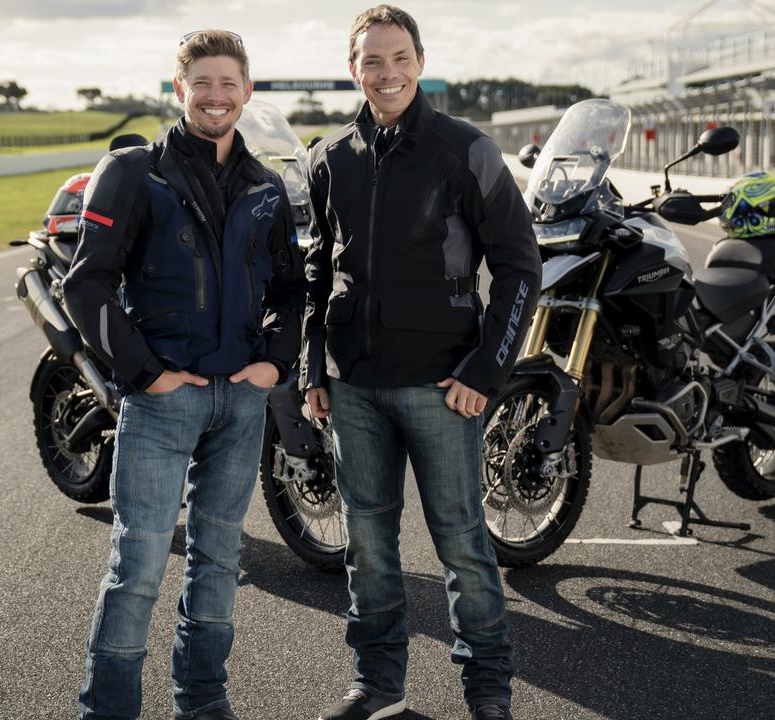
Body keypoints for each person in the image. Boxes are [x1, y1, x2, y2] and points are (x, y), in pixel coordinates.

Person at [301, 6, 541, 720]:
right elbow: (317, 271)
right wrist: (311, 367)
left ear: (420, 60)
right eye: (372, 61)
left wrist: (484, 372)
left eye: (400, 57)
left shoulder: (466, 150)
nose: (387, 72)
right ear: (353, 69)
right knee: (368, 549)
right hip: (352, 387)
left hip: (443, 387)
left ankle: (487, 693)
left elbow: (521, 268)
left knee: (463, 549)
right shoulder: (327, 156)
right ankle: (378, 686)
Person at [62, 29, 304, 720]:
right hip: (163, 403)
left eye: (229, 83)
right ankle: (107, 712)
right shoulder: (135, 171)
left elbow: (291, 288)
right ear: (180, 90)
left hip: (242, 402)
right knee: (136, 570)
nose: (216, 95)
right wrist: (146, 375)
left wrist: (274, 364)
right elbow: (88, 284)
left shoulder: (264, 184)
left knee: (219, 563)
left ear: (247, 91)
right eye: (203, 82)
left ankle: (202, 703)